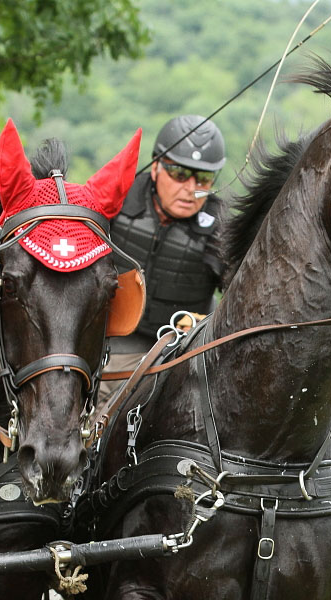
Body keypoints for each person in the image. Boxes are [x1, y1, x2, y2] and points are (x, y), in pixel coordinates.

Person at [100, 114, 226, 404]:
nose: (191, 188)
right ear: (156, 166)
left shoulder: (221, 225)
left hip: (178, 353)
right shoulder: (117, 199)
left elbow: (245, 295)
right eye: (180, 174)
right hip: (109, 341)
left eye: (204, 179)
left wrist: (209, 323)